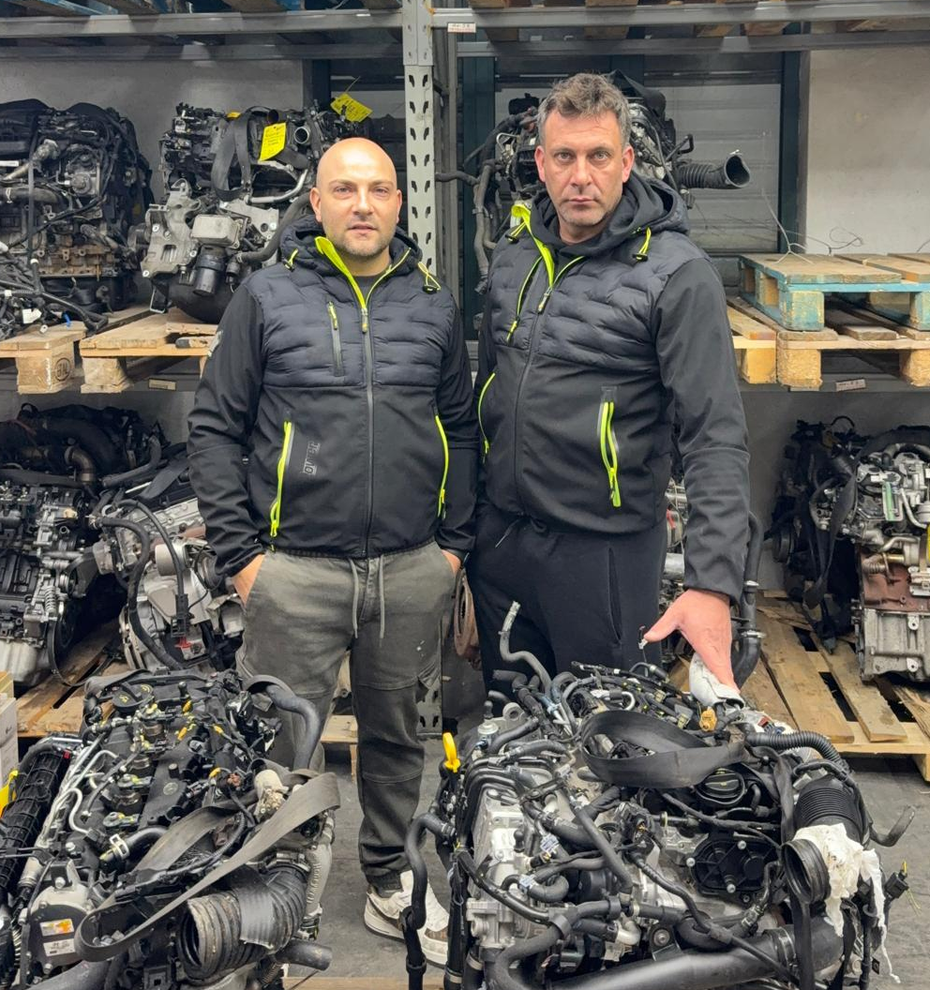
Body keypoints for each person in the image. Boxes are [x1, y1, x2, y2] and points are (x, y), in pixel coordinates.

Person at [187, 137, 478, 964]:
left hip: (411, 569)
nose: (362, 205)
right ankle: (278, 891)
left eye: (378, 189)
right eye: (344, 190)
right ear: (314, 203)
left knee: (400, 739)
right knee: (281, 745)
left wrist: (453, 548)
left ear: (399, 204)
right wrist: (244, 559)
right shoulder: (266, 296)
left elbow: (461, 428)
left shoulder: (432, 303)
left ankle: (390, 877)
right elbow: (214, 427)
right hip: (295, 572)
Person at [469, 73, 750, 693]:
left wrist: (712, 584)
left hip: (604, 559)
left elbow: (715, 436)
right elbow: (485, 397)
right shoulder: (515, 257)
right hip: (504, 547)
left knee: (606, 736)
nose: (581, 176)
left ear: (625, 163)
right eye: (564, 157)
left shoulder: (677, 275)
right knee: (511, 728)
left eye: (598, 156)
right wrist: (470, 535)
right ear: (541, 164)